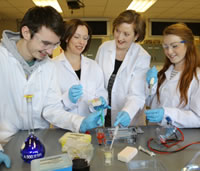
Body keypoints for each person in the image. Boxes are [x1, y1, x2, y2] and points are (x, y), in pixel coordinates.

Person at [0, 6, 103, 153]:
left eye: (54, 44)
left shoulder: (47, 66)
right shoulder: (2, 59)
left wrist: (80, 122)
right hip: (5, 144)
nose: (50, 51)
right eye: (46, 43)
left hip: (39, 144)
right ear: (26, 32)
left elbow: (51, 109)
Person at [96, 10, 151, 127]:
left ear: (136, 36)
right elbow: (96, 80)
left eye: (126, 34)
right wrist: (97, 99)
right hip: (103, 114)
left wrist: (127, 112)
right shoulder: (104, 48)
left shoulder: (142, 57)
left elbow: (137, 94)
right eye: (117, 31)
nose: (120, 37)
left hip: (128, 118)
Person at [145, 23, 200, 128]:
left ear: (188, 45)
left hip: (181, 139)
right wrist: (150, 86)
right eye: (165, 47)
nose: (169, 51)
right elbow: (150, 103)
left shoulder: (197, 77)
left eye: (174, 46)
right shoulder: (163, 75)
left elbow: (198, 118)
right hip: (155, 135)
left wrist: (167, 114)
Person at [53, 19, 108, 117]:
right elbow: (48, 107)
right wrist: (67, 99)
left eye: (85, 38)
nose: (81, 42)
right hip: (64, 128)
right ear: (66, 38)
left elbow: (101, 92)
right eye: (77, 37)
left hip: (91, 126)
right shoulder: (52, 66)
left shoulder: (94, 66)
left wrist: (99, 103)